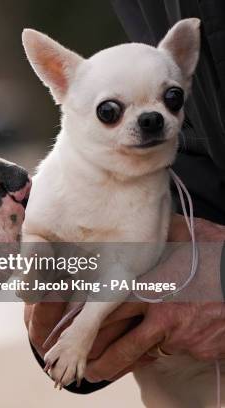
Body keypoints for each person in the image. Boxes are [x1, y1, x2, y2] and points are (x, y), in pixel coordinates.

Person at [25, 0, 225, 393]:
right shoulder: (59, 181)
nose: (151, 119)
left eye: (169, 100)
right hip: (178, 339)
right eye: (111, 111)